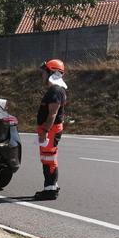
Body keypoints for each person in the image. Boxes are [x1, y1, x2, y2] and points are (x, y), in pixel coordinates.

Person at [35, 59, 68, 201]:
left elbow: (52, 113)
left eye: (44, 73)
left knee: (49, 159)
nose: (42, 76)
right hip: (51, 129)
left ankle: (50, 190)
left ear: (51, 72)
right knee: (48, 159)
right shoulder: (55, 89)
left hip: (51, 130)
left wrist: (45, 131)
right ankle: (51, 186)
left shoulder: (55, 90)